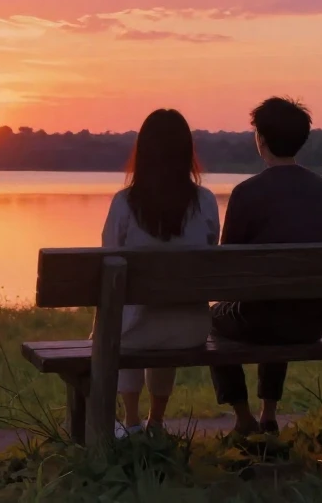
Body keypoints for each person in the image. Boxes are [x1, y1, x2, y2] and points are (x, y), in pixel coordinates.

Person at [209, 97, 322, 435]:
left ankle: (242, 418)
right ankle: (269, 413)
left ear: (261, 140)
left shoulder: (246, 193)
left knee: (212, 320)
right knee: (283, 296)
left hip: (263, 320)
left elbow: (227, 268)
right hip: (315, 319)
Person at [100, 108, 218, 432]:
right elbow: (212, 251)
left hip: (131, 334)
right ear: (186, 153)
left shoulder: (124, 203)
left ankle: (132, 420)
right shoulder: (205, 202)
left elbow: (107, 258)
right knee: (164, 313)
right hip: (190, 329)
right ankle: (157, 420)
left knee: (124, 316)